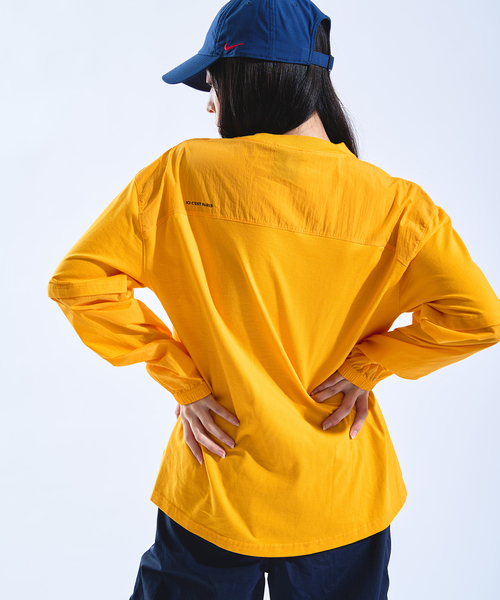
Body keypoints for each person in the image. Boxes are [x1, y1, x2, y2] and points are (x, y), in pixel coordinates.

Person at [46, 1, 500, 599]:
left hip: (215, 482)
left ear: (246, 79)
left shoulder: (184, 175)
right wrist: (366, 368)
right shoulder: (397, 205)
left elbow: (78, 284)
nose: (210, 104)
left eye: (213, 84)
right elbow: (478, 318)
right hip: (340, 491)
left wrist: (186, 382)